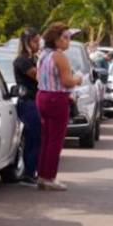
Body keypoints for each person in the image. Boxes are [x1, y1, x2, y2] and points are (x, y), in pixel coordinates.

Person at [35, 22, 81, 191]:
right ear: (56, 39)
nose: (68, 41)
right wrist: (78, 79)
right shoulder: (59, 56)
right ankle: (49, 177)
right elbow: (67, 81)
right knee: (56, 139)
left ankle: (41, 174)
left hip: (42, 96)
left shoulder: (43, 54)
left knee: (46, 138)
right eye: (65, 37)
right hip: (56, 98)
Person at [13, 27, 43, 186]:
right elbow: (39, 76)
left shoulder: (34, 59)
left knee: (37, 137)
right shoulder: (22, 61)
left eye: (38, 41)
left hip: (35, 101)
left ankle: (32, 171)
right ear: (26, 42)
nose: (38, 44)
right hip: (28, 102)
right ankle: (28, 173)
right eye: (35, 41)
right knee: (33, 136)